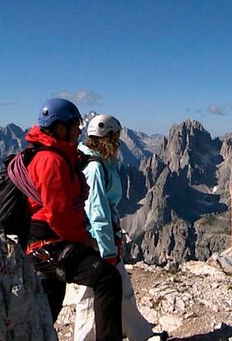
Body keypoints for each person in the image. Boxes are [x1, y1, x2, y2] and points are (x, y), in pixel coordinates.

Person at [25, 99, 123, 340]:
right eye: (74, 125)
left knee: (51, 297)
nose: (79, 130)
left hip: (45, 241)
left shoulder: (55, 155)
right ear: (60, 128)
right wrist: (86, 241)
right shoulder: (51, 161)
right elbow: (59, 214)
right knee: (107, 279)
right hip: (49, 241)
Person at [74, 114, 157, 341]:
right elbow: (97, 211)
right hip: (97, 242)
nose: (119, 142)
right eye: (116, 137)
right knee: (96, 295)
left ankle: (141, 334)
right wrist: (108, 251)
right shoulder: (95, 168)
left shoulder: (99, 162)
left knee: (107, 292)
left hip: (99, 239)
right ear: (107, 137)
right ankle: (141, 335)